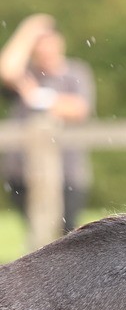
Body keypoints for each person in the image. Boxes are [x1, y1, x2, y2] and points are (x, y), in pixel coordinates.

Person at [0, 14, 95, 233]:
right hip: (22, 171)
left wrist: (38, 98)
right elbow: (6, 69)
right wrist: (28, 30)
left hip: (68, 171)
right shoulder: (27, 73)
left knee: (66, 235)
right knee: (37, 233)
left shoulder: (75, 73)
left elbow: (79, 109)